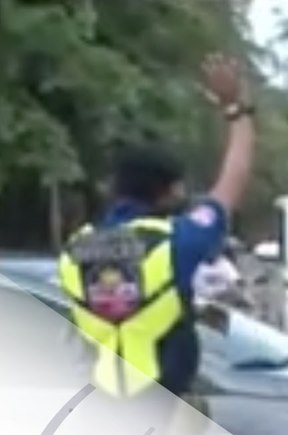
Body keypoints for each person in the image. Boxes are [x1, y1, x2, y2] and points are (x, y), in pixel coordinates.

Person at [57, 53, 255, 406]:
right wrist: (235, 111)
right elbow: (232, 184)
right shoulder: (177, 242)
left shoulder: (74, 249)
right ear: (170, 191)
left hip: (96, 412)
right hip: (161, 413)